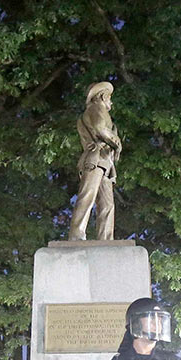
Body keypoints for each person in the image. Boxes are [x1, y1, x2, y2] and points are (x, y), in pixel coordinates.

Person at [67, 81, 122, 241]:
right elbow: (99, 128)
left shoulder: (98, 110)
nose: (111, 102)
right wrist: (116, 140)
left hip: (104, 161)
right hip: (95, 158)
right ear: (103, 96)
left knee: (108, 204)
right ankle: (76, 235)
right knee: (87, 196)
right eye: (109, 98)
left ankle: (106, 239)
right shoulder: (95, 109)